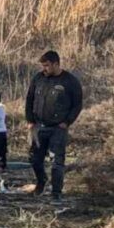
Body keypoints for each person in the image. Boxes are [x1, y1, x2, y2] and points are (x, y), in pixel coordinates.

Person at [25, 51, 83, 201]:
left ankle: (56, 192)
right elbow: (29, 99)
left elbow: (77, 104)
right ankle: (41, 181)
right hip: (38, 126)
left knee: (57, 162)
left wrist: (67, 122)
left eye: (47, 66)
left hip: (58, 128)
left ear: (56, 64)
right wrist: (30, 120)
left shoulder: (70, 81)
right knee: (35, 159)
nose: (44, 69)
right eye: (43, 66)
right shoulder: (38, 78)